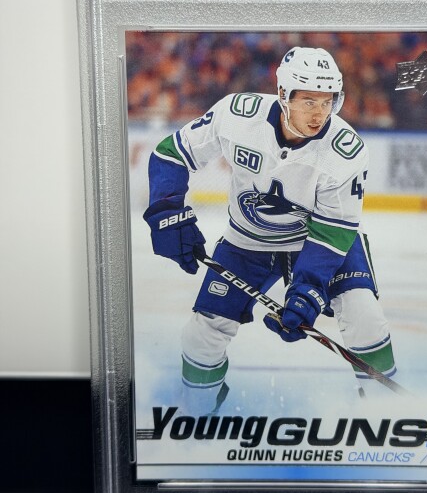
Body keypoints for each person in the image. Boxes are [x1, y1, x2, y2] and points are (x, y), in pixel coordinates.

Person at [143, 46, 397, 413]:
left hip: (320, 241)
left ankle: (388, 412)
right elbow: (171, 153)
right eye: (308, 101)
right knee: (202, 335)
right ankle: (197, 411)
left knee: (364, 315)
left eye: (327, 102)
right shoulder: (236, 115)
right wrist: (167, 213)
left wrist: (308, 290)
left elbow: (333, 231)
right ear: (283, 94)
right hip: (247, 242)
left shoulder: (345, 151)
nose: (319, 114)